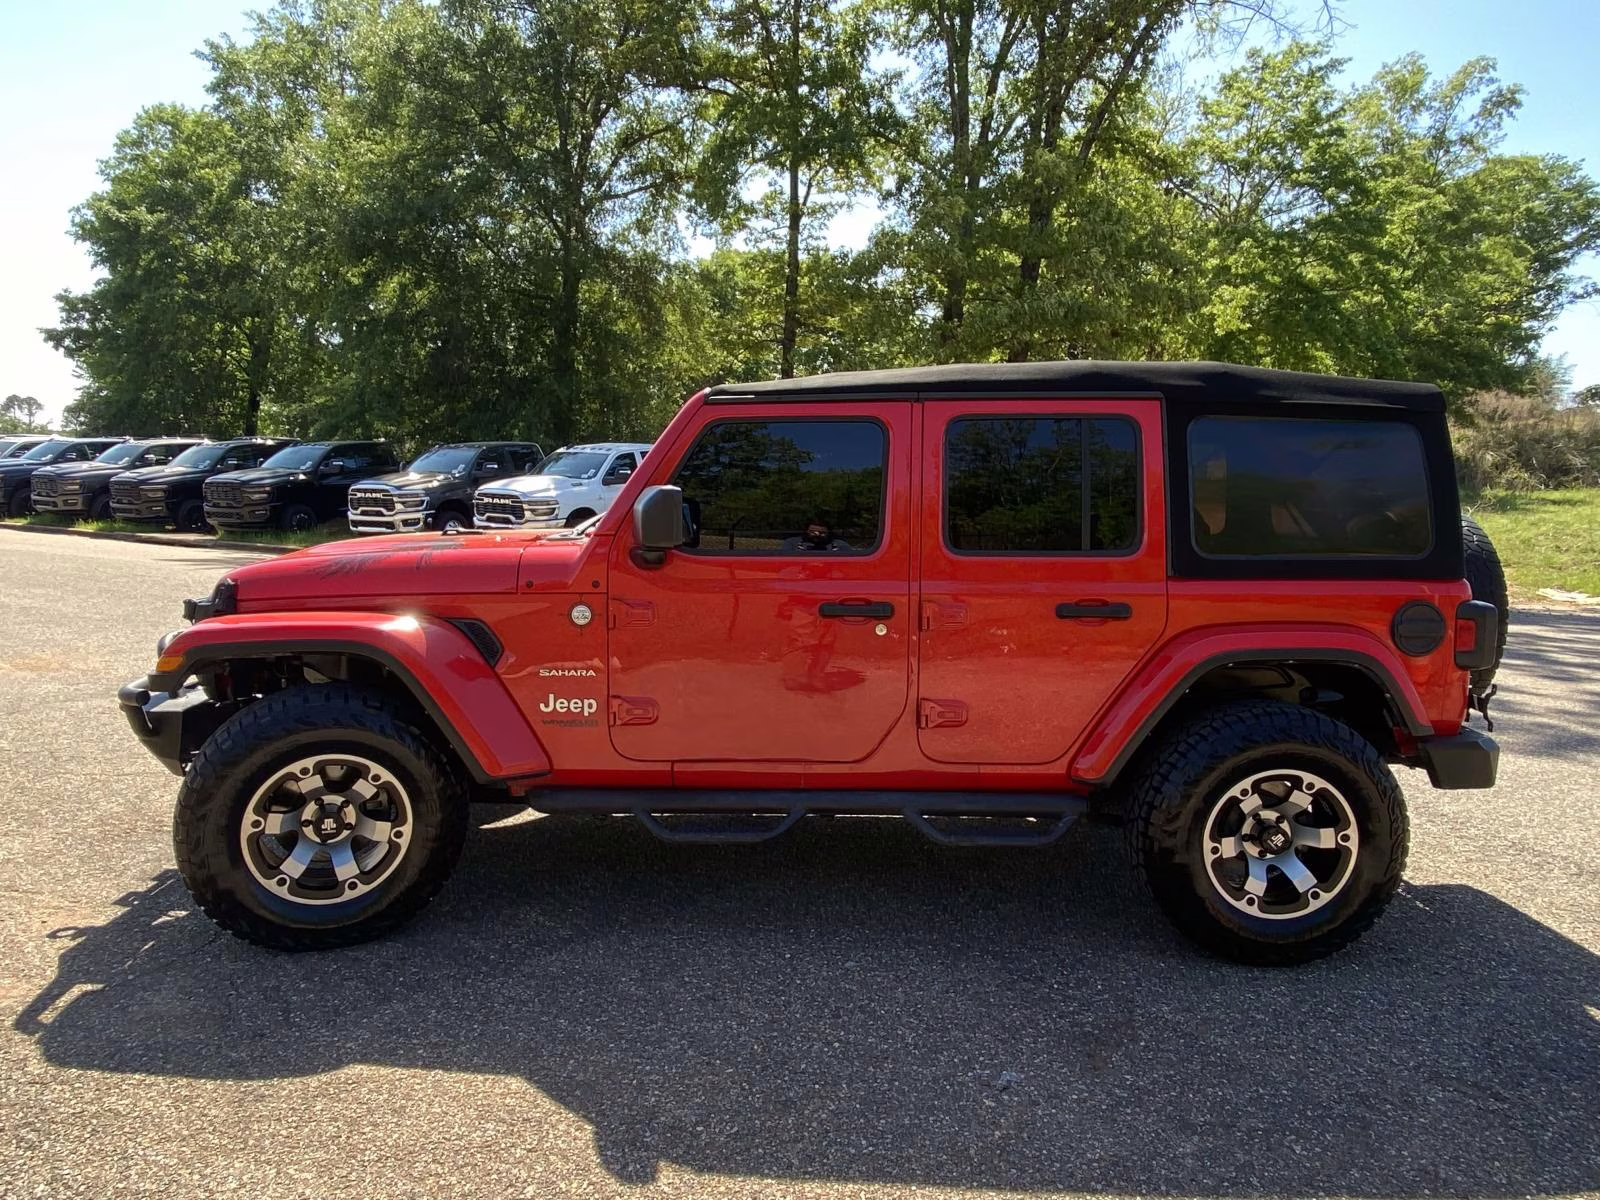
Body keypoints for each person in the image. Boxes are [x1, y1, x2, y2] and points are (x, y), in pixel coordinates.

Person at [780, 520, 851, 553]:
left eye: (822, 533)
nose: (817, 535)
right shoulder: (792, 543)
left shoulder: (840, 545)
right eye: (812, 532)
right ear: (807, 531)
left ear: (828, 533)